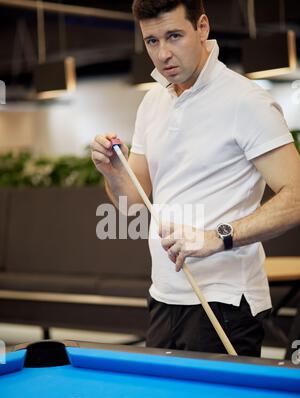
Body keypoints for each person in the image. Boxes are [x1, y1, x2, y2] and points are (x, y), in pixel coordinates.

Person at [91, 0, 300, 357]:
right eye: (152, 41)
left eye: (174, 35)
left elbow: (295, 196)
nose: (163, 53)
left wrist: (217, 238)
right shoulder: (152, 103)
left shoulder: (245, 100)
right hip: (163, 295)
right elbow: (132, 206)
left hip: (225, 301)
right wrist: (113, 172)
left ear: (202, 27)